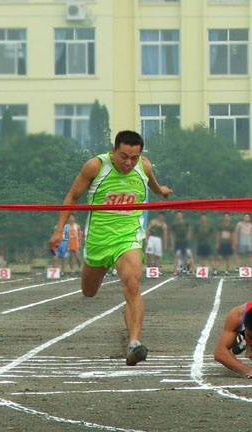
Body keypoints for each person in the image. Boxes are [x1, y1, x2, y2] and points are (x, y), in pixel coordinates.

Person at [49, 130, 172, 366]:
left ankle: (134, 342)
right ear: (113, 151)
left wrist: (162, 191)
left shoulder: (144, 167)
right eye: (124, 156)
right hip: (98, 240)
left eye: (134, 158)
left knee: (132, 284)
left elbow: (152, 184)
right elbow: (72, 197)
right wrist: (59, 231)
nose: (128, 163)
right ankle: (130, 328)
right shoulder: (95, 167)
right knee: (89, 291)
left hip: (128, 237)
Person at [171, 211, 193, 276]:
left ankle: (185, 269)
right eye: (178, 215)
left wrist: (189, 235)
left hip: (184, 241)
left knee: (185, 255)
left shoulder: (185, 223)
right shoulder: (174, 224)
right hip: (177, 241)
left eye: (180, 215)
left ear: (182, 215)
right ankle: (176, 270)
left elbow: (189, 229)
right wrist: (172, 241)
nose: (179, 216)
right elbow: (172, 233)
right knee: (177, 255)